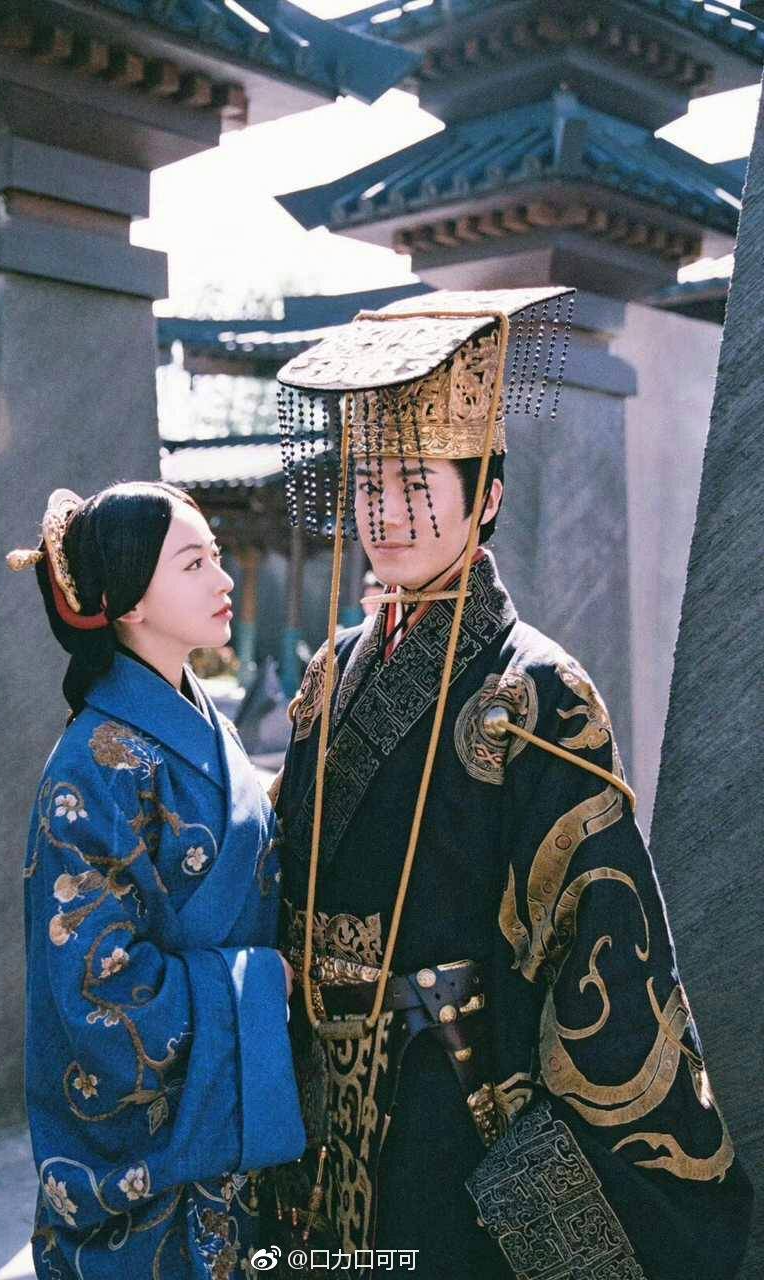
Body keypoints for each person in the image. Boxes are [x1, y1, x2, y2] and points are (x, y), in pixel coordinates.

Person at [269, 291, 752, 1279]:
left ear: (485, 496)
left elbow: (597, 933)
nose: (385, 511)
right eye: (369, 483)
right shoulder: (330, 672)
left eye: (416, 482)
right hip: (313, 1091)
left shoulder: (534, 691)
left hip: (443, 1100)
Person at [7, 481, 305, 1279]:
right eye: (194, 563)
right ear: (131, 600)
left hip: (229, 1133)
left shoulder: (207, 723)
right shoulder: (92, 767)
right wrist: (255, 983)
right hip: (152, 1155)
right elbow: (99, 989)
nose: (223, 579)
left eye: (217, 556)